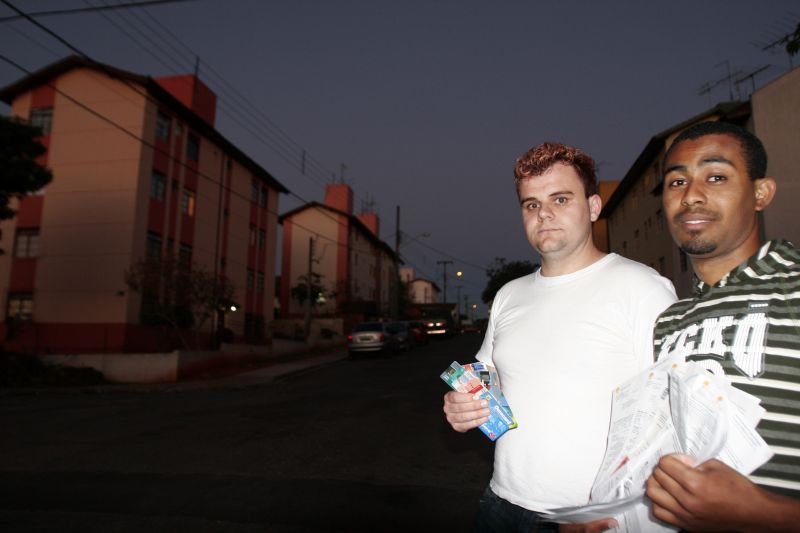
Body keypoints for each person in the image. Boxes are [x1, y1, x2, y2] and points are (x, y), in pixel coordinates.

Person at [443, 142, 676, 532]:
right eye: (531, 204)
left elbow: (675, 411)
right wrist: (462, 404)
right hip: (501, 505)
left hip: (593, 515)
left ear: (594, 207)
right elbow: (488, 372)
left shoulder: (642, 288)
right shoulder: (509, 295)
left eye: (561, 199)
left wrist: (626, 509)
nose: (544, 214)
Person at [642, 121, 800, 531]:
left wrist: (763, 514)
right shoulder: (669, 322)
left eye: (715, 177)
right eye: (677, 182)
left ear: (761, 193)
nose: (691, 196)